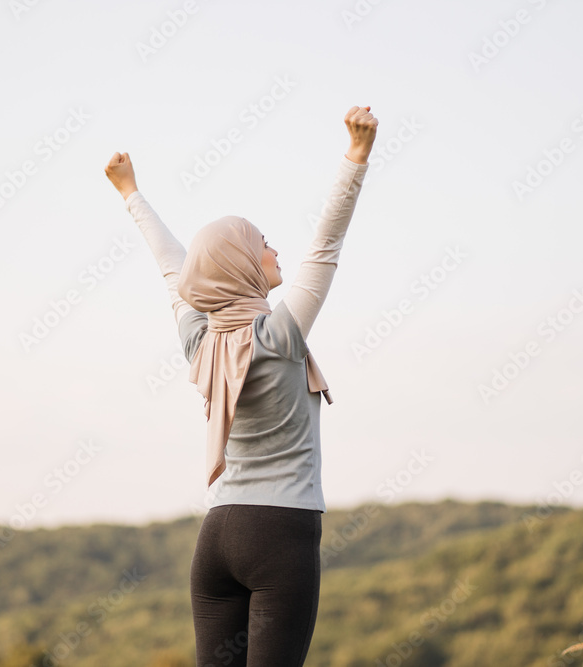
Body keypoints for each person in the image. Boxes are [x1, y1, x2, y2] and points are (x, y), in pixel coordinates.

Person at [104, 105, 378, 665]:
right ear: (240, 265)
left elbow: (173, 270)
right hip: (280, 534)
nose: (275, 252)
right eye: (264, 244)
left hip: (216, 538)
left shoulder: (200, 343)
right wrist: (356, 156)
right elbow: (326, 243)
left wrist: (130, 192)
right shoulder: (280, 336)